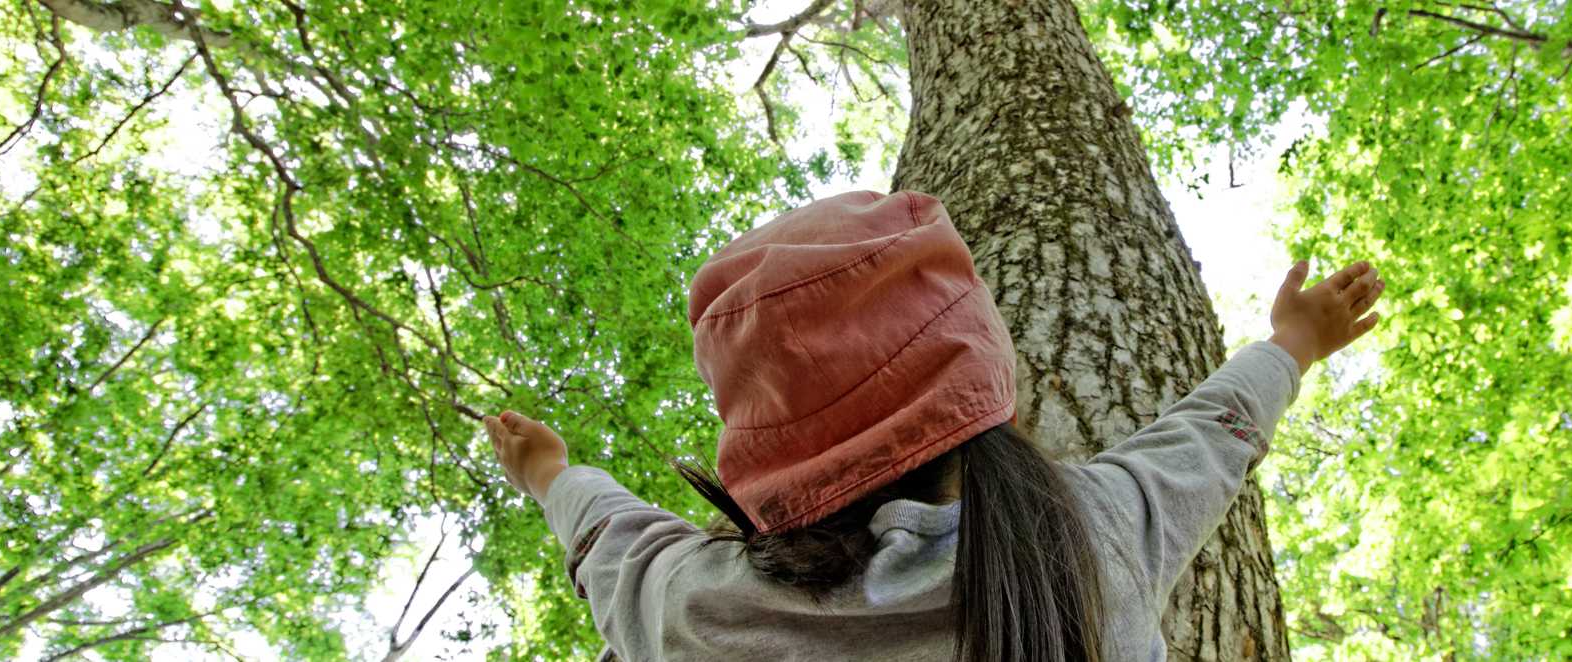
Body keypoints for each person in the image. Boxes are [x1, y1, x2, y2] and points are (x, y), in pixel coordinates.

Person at [484, 191, 1385, 661]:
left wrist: (548, 473)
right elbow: (1208, 438)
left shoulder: (699, 612)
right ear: (991, 378)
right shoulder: (1096, 542)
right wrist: (1293, 346)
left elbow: (612, 539)